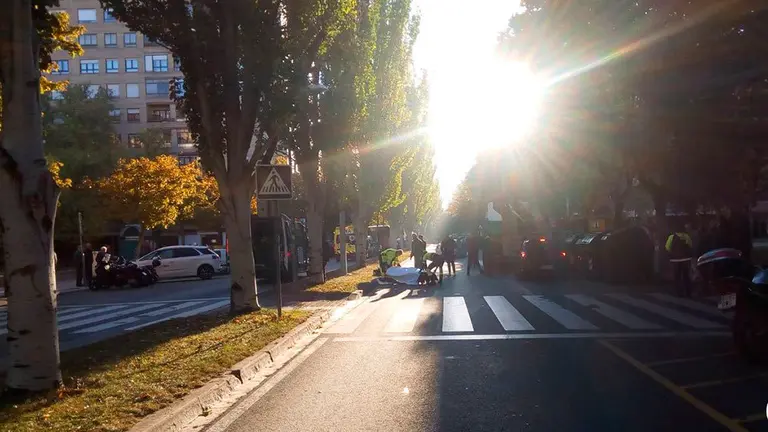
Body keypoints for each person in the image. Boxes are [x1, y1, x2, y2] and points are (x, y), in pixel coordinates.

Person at [665, 223, 693, 297]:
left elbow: (667, 247)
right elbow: (690, 245)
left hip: (675, 260)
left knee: (677, 276)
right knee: (686, 276)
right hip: (686, 259)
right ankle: (688, 292)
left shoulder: (672, 237)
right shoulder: (686, 236)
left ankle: (678, 292)